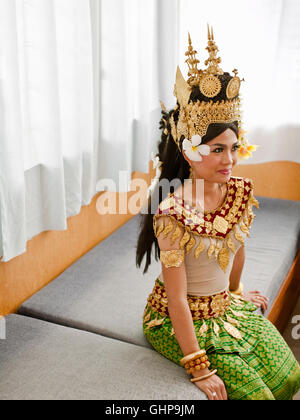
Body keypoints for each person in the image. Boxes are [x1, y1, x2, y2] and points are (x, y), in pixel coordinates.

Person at [136, 27, 300, 400]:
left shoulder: (238, 191)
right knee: (257, 395)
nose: (229, 160)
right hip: (177, 318)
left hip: (222, 308)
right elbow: (178, 299)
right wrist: (198, 366)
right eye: (216, 150)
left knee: (289, 377)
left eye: (234, 147)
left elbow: (237, 248)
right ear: (191, 150)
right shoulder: (172, 213)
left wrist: (235, 292)